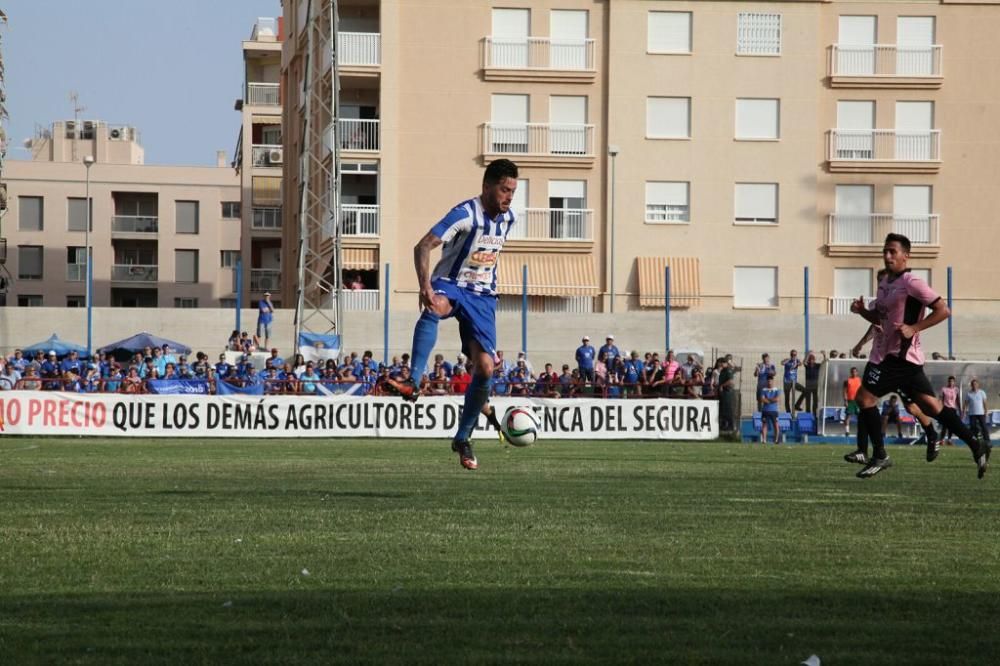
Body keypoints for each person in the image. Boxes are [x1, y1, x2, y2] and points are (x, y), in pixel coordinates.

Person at [385, 159, 519, 469]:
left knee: (485, 368)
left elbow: (485, 255)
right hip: (452, 285)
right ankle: (413, 380)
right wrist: (424, 287)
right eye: (504, 189)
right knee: (434, 306)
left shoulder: (508, 219)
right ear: (487, 187)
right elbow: (423, 246)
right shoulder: (465, 214)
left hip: (483, 297)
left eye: (513, 191)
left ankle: (463, 438)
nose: (509, 197)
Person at [848, 233, 989, 479]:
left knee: (865, 398)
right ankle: (977, 445)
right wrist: (862, 312)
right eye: (885, 251)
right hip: (894, 359)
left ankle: (878, 455)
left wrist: (915, 327)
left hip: (898, 358)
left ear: (906, 255)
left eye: (893, 251)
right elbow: (881, 320)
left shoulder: (912, 282)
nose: (888, 256)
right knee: (932, 407)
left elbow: (943, 310)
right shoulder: (884, 284)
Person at [964, 379, 990, 445]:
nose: (974, 385)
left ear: (978, 385)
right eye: (973, 384)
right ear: (971, 385)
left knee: (984, 427)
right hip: (972, 414)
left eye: (975, 384)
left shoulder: (982, 392)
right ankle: (975, 441)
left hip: (981, 413)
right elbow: (966, 403)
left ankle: (987, 441)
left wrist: (986, 411)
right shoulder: (968, 394)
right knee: (973, 427)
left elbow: (985, 403)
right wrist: (964, 412)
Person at [780, 349, 804, 414]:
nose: (793, 356)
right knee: (787, 398)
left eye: (795, 355)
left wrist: (797, 363)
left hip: (794, 382)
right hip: (787, 381)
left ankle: (797, 405)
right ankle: (788, 413)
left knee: (804, 390)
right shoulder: (787, 360)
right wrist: (788, 360)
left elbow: (801, 363)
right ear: (790, 355)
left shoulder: (797, 361)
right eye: (792, 355)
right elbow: (782, 363)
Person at [760, 375, 781, 444]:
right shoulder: (764, 390)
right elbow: (762, 399)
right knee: (764, 424)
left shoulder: (776, 390)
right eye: (768, 381)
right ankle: (764, 440)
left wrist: (768, 400)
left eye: (771, 381)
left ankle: (776, 440)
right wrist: (771, 400)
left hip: (774, 411)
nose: (769, 382)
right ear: (766, 381)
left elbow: (777, 399)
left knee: (776, 425)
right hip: (765, 410)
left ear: (773, 381)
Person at [940, 376, 959, 445]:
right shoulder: (944, 389)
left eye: (952, 381)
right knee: (944, 425)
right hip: (945, 408)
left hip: (953, 409)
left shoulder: (956, 389)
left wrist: (960, 409)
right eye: (950, 381)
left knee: (951, 426)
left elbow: (957, 400)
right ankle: (942, 440)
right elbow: (942, 399)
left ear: (954, 382)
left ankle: (949, 440)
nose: (951, 383)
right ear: (948, 382)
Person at [843, 367, 861, 436]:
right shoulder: (847, 381)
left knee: (860, 417)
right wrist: (845, 401)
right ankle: (847, 432)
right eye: (852, 372)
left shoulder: (859, 380)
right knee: (848, 416)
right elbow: (844, 392)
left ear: (857, 372)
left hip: (858, 401)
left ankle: (860, 431)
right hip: (850, 401)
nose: (854, 373)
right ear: (851, 372)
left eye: (855, 372)